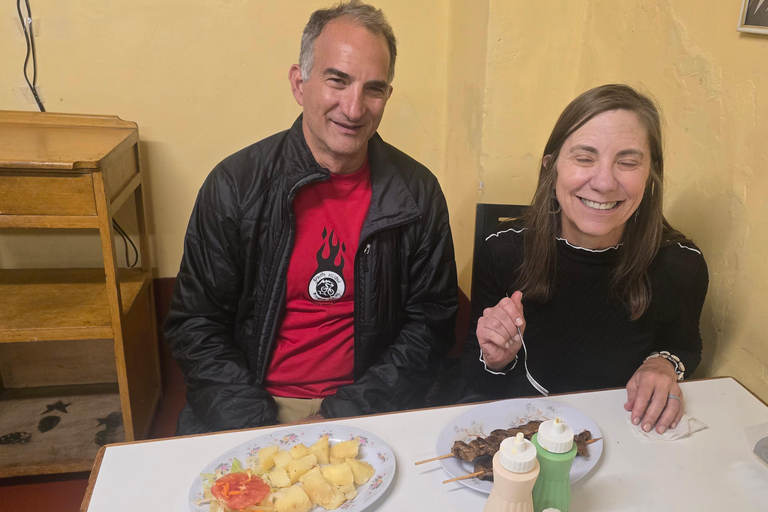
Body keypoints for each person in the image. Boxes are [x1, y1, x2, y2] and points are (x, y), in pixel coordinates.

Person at [165, 0, 458, 435]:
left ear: (387, 96)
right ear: (300, 84)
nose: (354, 108)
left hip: (370, 404)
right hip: (251, 403)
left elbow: (430, 327)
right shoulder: (235, 184)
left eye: (373, 88)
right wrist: (254, 427)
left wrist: (341, 418)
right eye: (337, 80)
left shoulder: (418, 193)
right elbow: (196, 324)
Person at [462, 84, 708, 435]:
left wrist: (663, 364)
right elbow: (477, 378)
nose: (605, 182)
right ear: (552, 168)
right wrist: (495, 359)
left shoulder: (681, 266)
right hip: (526, 431)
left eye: (627, 162)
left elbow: (686, 346)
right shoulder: (504, 251)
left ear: (651, 174)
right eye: (584, 158)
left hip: (628, 432)